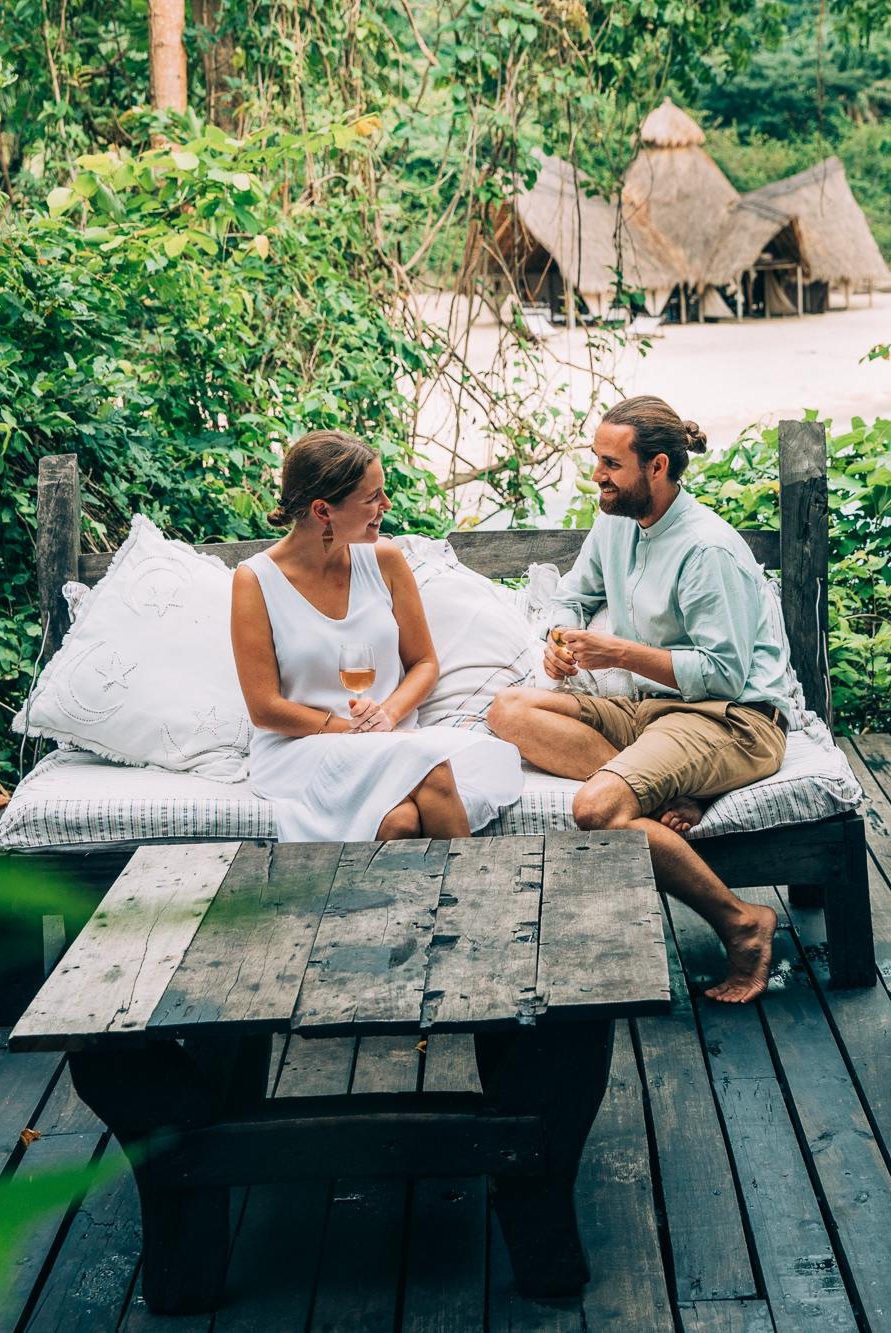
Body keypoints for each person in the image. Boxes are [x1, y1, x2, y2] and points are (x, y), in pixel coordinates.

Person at [487, 397, 799, 1003]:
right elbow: (574, 596)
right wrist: (559, 638)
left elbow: (726, 676)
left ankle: (743, 923)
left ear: (657, 467)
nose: (597, 475)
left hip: (732, 720)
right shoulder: (615, 523)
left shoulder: (707, 550)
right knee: (507, 710)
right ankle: (666, 792)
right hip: (653, 711)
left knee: (598, 809)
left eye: (610, 463)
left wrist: (620, 654)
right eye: (597, 460)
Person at [233, 430, 522, 842]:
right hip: (304, 747)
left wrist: (387, 715)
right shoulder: (255, 580)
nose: (385, 506)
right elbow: (265, 708)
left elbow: (424, 662)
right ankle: (478, 899)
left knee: (400, 821)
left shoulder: (385, 560)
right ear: (322, 510)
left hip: (390, 737)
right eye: (372, 498)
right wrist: (353, 731)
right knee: (432, 768)